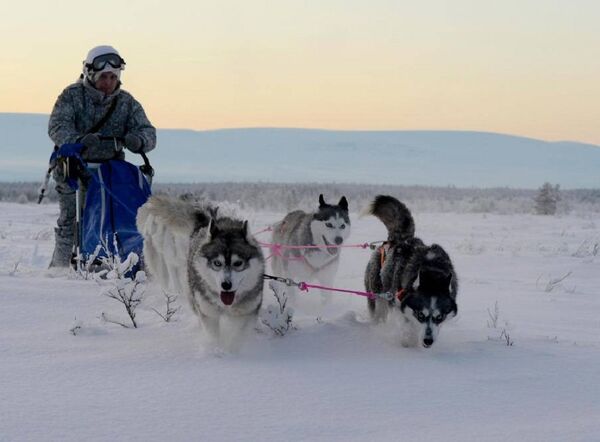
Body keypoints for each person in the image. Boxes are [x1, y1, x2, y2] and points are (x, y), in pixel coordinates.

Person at [48, 45, 156, 268]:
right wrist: (77, 141)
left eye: (112, 77)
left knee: (117, 219)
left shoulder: (127, 103)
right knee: (71, 220)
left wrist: (138, 140)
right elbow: (57, 125)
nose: (108, 82)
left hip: (110, 173)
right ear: (90, 74)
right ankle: (59, 271)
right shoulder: (72, 96)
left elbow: (148, 132)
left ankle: (120, 264)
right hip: (74, 169)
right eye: (103, 77)